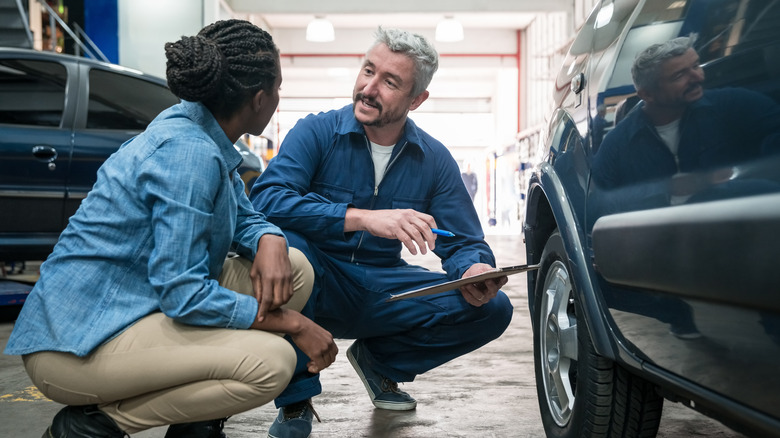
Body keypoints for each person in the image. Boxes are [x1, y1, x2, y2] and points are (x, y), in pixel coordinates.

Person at [3, 19, 337, 438]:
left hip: (138, 301)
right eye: (278, 87)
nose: (278, 97)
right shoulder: (189, 154)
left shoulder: (200, 126)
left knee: (294, 267)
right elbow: (183, 294)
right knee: (270, 363)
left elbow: (241, 213)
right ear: (257, 99)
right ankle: (94, 425)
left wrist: (269, 237)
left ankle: (195, 423)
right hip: (76, 344)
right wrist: (294, 324)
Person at [250, 27, 514, 438]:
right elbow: (267, 199)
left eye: (390, 82)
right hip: (316, 280)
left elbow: (464, 241)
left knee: (494, 309)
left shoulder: (434, 159)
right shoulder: (317, 132)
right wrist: (362, 217)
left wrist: (472, 270)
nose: (369, 88)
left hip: (382, 289)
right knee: (291, 248)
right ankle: (296, 399)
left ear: (416, 100)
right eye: (368, 71)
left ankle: (380, 362)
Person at [593, 35, 780, 191]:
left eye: (696, 66)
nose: (698, 77)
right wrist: (664, 192)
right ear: (647, 94)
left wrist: (744, 179)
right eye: (679, 75)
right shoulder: (618, 147)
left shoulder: (736, 104)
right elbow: (601, 206)